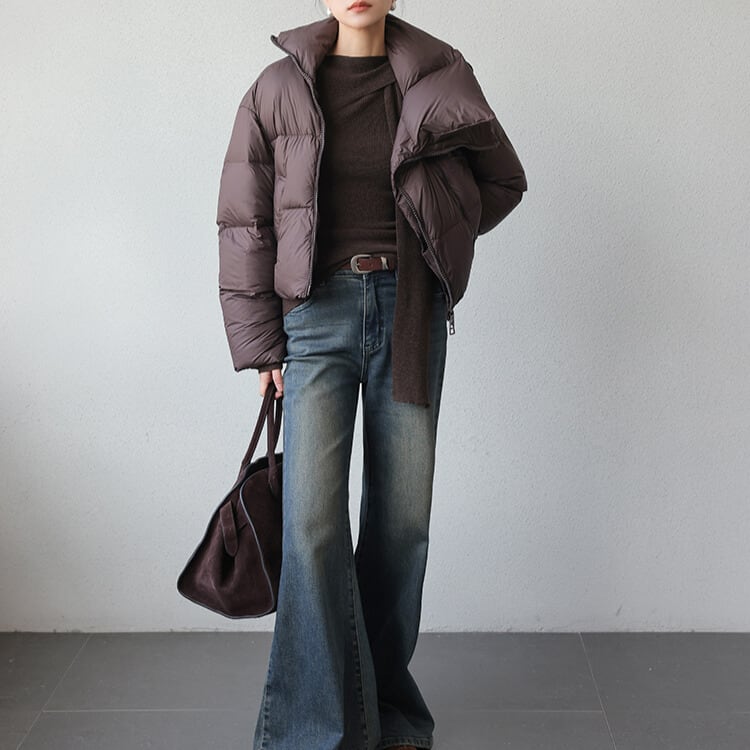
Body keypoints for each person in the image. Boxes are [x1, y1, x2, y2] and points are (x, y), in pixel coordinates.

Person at [215, 2, 527, 748]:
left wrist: (439, 231)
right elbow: (244, 221)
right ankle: (311, 729)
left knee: (402, 524)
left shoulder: (441, 75)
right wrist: (262, 345)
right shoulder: (275, 89)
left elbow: (502, 181)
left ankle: (388, 716)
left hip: (409, 307)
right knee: (313, 525)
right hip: (314, 318)